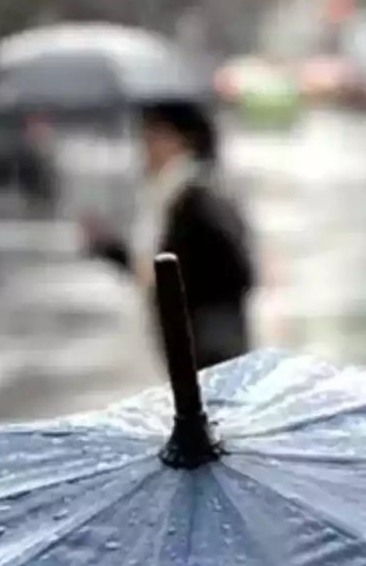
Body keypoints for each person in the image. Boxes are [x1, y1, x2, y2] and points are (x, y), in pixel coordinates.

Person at [85, 100, 255, 370]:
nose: (145, 149)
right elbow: (158, 271)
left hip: (210, 348)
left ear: (178, 140)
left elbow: (235, 270)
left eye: (152, 137)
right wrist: (109, 249)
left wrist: (190, 296)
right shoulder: (167, 195)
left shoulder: (198, 198)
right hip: (187, 344)